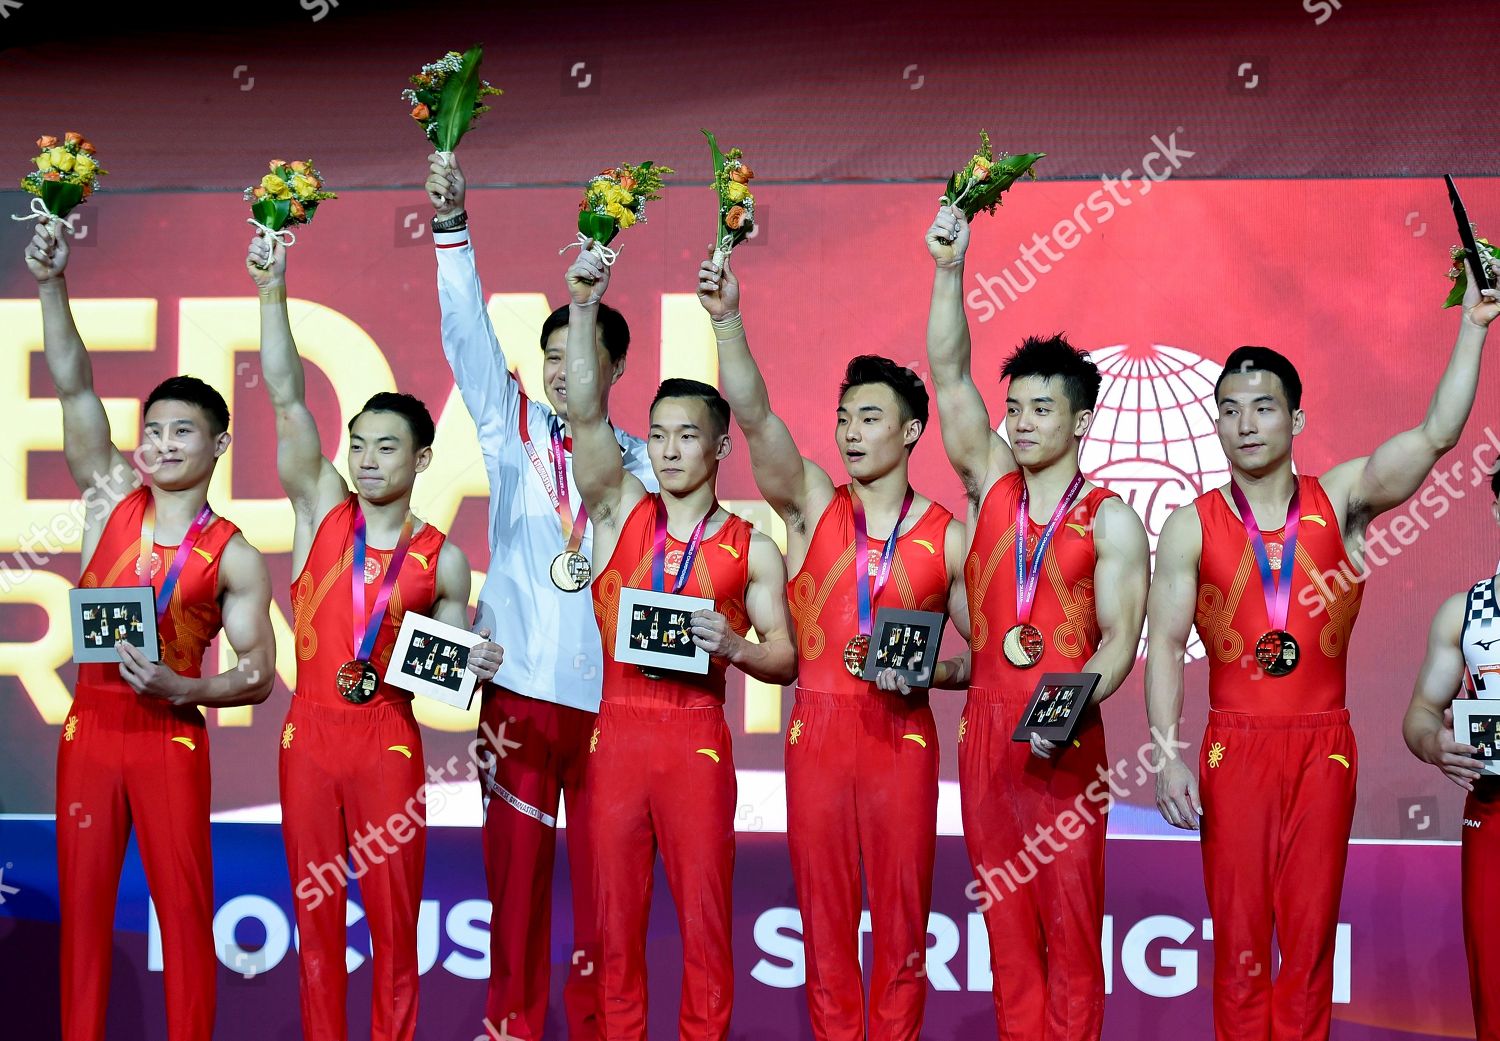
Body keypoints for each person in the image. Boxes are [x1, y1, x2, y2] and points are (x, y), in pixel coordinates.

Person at [1146, 267, 1497, 1040]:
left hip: (1321, 748)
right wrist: (1169, 754)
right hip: (1232, 746)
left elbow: (1437, 434)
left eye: (1263, 408)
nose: (1246, 425)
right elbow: (1166, 644)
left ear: (1296, 417)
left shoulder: (1340, 498)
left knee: (1306, 950)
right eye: (1229, 411)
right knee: (1239, 953)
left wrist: (1473, 325)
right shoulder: (1188, 524)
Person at [696, 253, 968, 1041]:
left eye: (870, 418)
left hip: (902, 735)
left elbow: (984, 660)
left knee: (904, 924)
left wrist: (936, 669)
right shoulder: (814, 504)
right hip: (817, 729)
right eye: (845, 417)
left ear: (911, 430)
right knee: (823, 923)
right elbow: (756, 419)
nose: (851, 432)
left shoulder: (947, 539)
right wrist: (727, 320)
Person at [247, 232, 502, 1041]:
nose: (363, 459)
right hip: (309, 733)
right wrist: (272, 289)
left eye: (384, 447)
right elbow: (289, 400)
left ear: (423, 459)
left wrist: (477, 659)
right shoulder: (320, 510)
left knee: (395, 924)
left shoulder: (444, 558)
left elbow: (449, 679)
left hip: (388, 737)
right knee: (316, 927)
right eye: (357, 444)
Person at [28, 217, 277, 1041]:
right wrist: (52, 283)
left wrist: (186, 688)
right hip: (90, 731)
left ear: (218, 444)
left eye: (182, 432)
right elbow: (72, 386)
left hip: (169, 736)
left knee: (183, 913)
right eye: (156, 430)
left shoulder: (233, 554)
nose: (162, 444)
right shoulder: (109, 496)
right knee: (87, 923)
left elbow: (260, 672)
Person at [425, 152, 655, 1039]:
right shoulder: (508, 424)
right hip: (517, 697)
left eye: (584, 357)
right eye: (553, 357)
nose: (565, 373)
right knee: (513, 902)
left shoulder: (644, 462)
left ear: (618, 366)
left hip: (613, 709)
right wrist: (453, 226)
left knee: (607, 907)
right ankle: (510, 1029)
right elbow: (465, 336)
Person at [924, 203, 1150, 1041]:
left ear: (1081, 420)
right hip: (985, 731)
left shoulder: (1113, 519)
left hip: (1064, 734)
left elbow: (1121, 637)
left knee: (1071, 930)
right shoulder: (990, 481)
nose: (1018, 422)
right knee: (1008, 936)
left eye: (1039, 410)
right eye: (1013, 408)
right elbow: (950, 376)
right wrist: (949, 269)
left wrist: (1077, 700)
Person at [563, 245, 797, 1041]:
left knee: (705, 926)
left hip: (695, 737)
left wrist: (732, 643)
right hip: (617, 732)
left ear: (719, 447)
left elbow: (787, 656)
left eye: (686, 435)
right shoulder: (617, 507)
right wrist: (586, 304)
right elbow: (587, 415)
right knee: (614, 930)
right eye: (657, 433)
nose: (665, 448)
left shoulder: (751, 544)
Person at [1404, 466, 1500, 1041]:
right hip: (1493, 812)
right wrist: (1435, 743)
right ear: (1496, 509)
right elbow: (1420, 713)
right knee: (1494, 987)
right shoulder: (1466, 612)